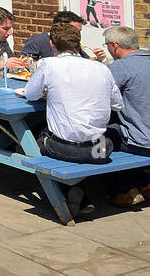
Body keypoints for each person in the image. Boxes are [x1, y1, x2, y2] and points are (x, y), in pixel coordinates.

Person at [24, 22, 123, 213]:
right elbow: (118, 105)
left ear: (52, 44)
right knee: (108, 135)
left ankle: (68, 190)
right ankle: (80, 192)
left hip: (61, 147)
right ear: (78, 43)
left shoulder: (49, 64)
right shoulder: (101, 69)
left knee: (32, 137)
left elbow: (30, 94)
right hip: (99, 149)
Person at [103, 26, 150, 206]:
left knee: (95, 144)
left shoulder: (122, 67)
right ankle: (143, 183)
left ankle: (122, 190)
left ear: (115, 45)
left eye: (107, 45)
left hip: (141, 142)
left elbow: (102, 98)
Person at [21, 11, 108, 62]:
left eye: (79, 32)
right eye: (74, 31)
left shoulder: (73, 43)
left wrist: (99, 59)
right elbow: (23, 62)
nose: (77, 35)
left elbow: (85, 60)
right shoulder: (38, 40)